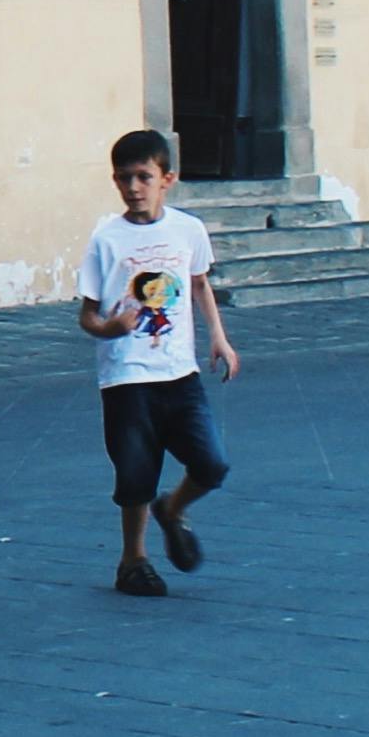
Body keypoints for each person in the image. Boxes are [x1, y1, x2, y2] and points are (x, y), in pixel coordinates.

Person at [79, 125, 236, 595]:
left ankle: (173, 509)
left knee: (212, 464)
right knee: (134, 475)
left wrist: (219, 339)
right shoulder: (106, 240)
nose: (133, 188)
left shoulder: (188, 230)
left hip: (179, 373)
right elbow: (87, 315)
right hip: (126, 378)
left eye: (143, 177)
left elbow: (199, 284)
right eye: (123, 178)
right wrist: (109, 328)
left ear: (167, 179)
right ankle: (133, 561)